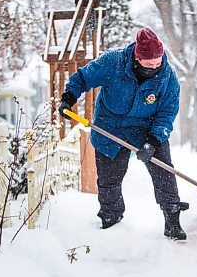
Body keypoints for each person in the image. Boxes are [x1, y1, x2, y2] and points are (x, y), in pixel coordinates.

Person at [58, 27, 189, 240]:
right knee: (109, 180)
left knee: (164, 171)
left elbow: (168, 111)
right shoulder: (113, 62)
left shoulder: (168, 77)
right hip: (109, 128)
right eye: (150, 64)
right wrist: (69, 97)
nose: (155, 67)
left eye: (158, 62)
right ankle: (111, 220)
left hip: (147, 128)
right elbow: (84, 77)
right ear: (137, 57)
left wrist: (154, 140)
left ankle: (172, 220)